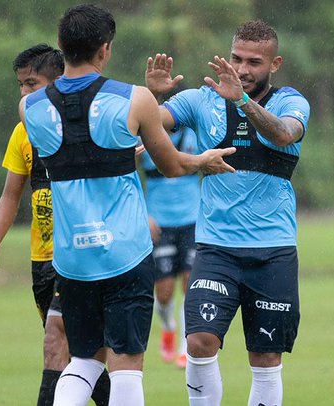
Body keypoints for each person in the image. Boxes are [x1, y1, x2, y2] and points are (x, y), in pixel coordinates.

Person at [20, 5, 235, 406]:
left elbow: (82, 134)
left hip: (72, 259)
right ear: (105, 50)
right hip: (124, 253)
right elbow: (170, 165)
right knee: (126, 365)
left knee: (84, 361)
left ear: (62, 47)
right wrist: (202, 161)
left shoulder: (30, 109)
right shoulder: (134, 99)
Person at [146, 20, 310, 406]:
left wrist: (241, 101)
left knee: (266, 356)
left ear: (275, 64)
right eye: (236, 58)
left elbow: (284, 134)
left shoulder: (291, 101)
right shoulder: (200, 100)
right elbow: (150, 126)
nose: (242, 68)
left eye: (254, 61)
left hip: (274, 251)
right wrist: (152, 99)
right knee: (200, 341)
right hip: (216, 250)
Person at [0, 44, 111, 406]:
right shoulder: (21, 135)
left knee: (56, 341)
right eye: (21, 85)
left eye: (32, 84)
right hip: (43, 262)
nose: (23, 93)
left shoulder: (86, 125)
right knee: (74, 354)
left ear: (57, 83)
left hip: (82, 257)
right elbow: (10, 195)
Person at [140, 120, 200, 369]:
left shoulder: (194, 138)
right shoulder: (142, 140)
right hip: (159, 223)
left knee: (190, 285)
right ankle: (168, 328)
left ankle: (186, 348)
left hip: (192, 220)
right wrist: (143, 213)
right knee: (163, 292)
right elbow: (124, 174)